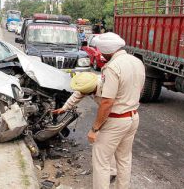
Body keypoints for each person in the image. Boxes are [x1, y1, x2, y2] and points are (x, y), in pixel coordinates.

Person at [54, 32, 145, 189]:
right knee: (124, 159)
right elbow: (80, 93)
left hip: (116, 120)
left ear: (108, 50)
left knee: (101, 162)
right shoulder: (137, 62)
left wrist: (95, 129)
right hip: (132, 117)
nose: (101, 55)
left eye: (102, 52)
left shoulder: (112, 67)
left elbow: (107, 102)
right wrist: (64, 108)